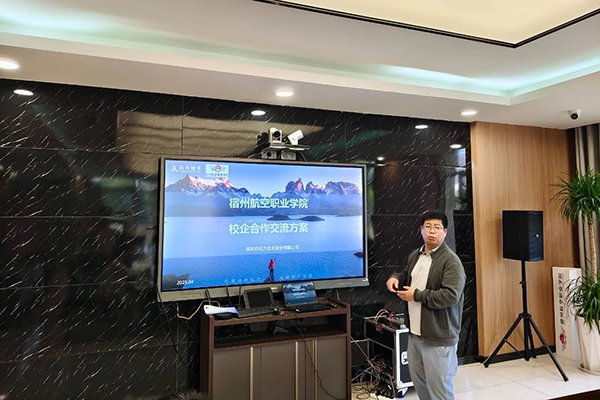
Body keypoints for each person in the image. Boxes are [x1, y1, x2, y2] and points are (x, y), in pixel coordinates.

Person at [386, 211, 466, 400]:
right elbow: (407, 273)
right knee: (420, 384)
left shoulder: (451, 261)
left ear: (445, 232)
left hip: (438, 338)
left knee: (440, 389)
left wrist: (416, 295)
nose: (432, 231)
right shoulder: (416, 255)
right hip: (415, 334)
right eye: (428, 227)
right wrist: (395, 278)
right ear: (421, 230)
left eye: (437, 227)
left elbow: (451, 296)